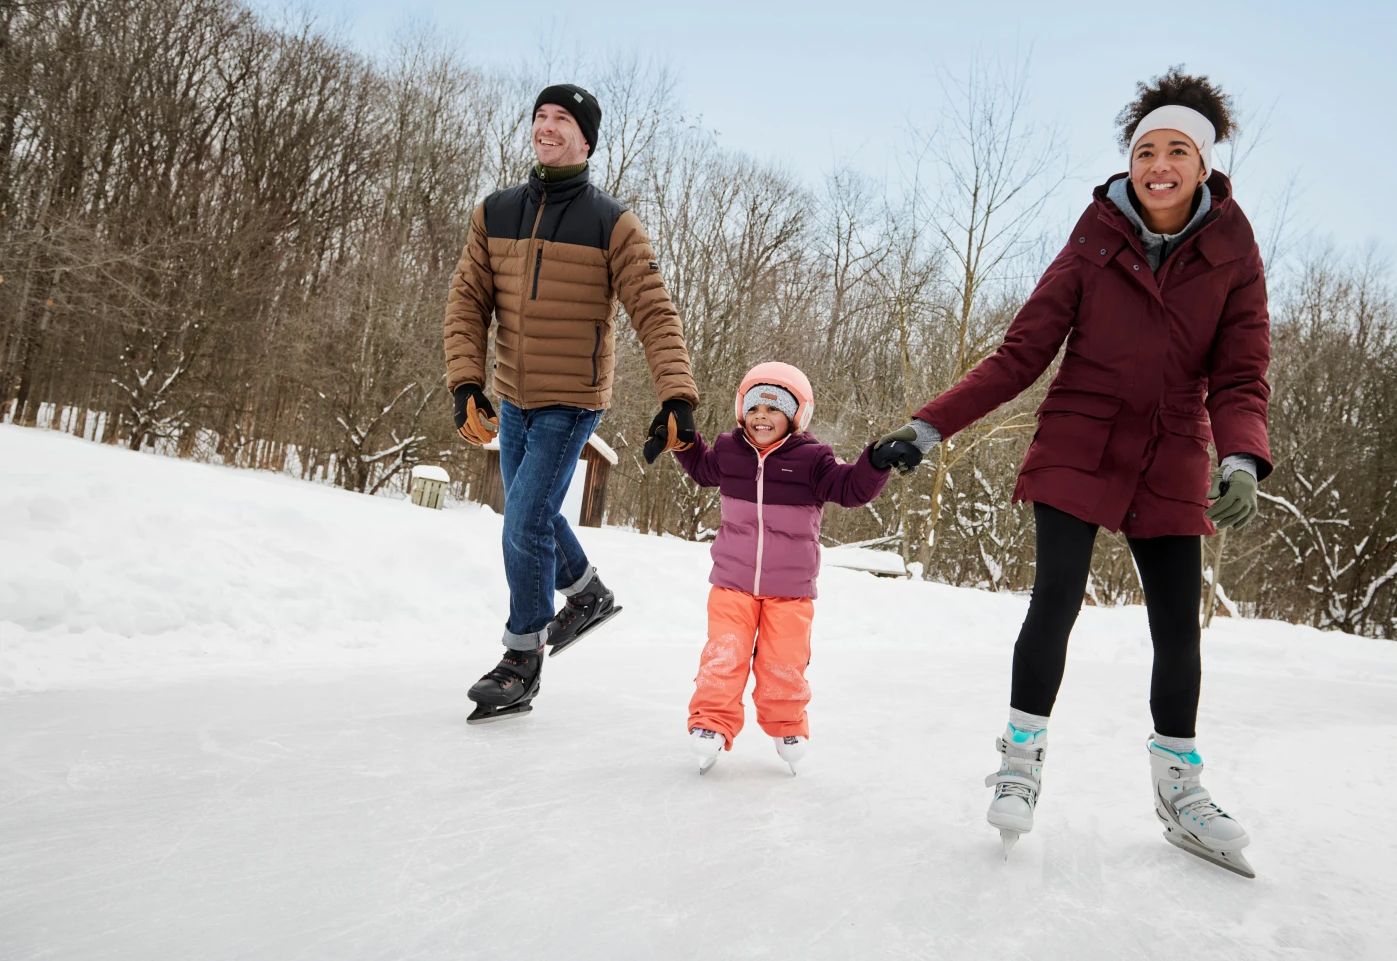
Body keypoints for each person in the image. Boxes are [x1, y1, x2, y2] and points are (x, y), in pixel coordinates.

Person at [876, 69, 1270, 875]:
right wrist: (928, 425)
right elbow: (1023, 353)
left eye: (1176, 150)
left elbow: (1240, 372)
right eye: (1145, 150)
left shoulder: (1234, 251)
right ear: (1131, 161)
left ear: (1204, 163)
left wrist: (1240, 456)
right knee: (1055, 595)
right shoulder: (1095, 235)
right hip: (1078, 438)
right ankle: (1019, 765)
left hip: (1171, 447)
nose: (1158, 164)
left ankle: (1180, 789)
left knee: (1177, 626)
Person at [444, 83, 700, 721]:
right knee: (534, 515)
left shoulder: (611, 223)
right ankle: (586, 594)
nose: (547, 126)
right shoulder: (494, 212)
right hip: (514, 395)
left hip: (573, 401)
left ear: (586, 139)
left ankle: (521, 658)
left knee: (524, 519)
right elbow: (466, 302)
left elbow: (654, 311)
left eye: (562, 119)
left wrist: (677, 395)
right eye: (540, 116)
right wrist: (465, 381)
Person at [664, 362, 904, 774]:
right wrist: (682, 443)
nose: (762, 418)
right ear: (743, 412)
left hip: (790, 589)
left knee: (784, 662)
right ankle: (711, 723)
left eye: (775, 410)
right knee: (725, 655)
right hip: (732, 582)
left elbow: (851, 490)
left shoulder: (813, 460)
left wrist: (875, 462)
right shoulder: (728, 451)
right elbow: (704, 470)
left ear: (795, 416)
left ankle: (787, 723)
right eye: (755, 408)